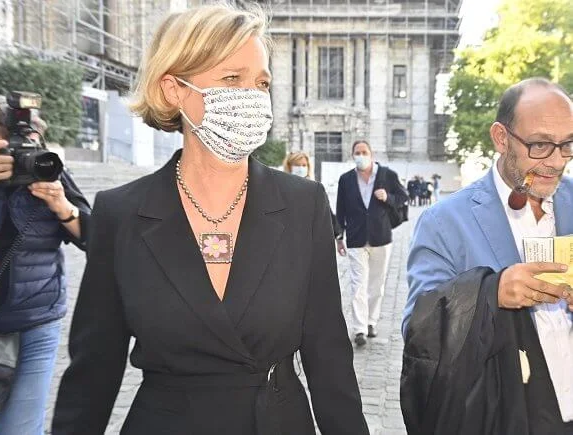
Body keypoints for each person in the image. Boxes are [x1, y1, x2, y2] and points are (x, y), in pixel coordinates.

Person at [52, 5, 369, 435]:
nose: (254, 97)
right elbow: (93, 373)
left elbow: (328, 356)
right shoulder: (120, 212)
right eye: (232, 78)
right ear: (173, 90)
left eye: (262, 83)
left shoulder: (303, 203)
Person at [401, 78, 573, 434]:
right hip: (506, 417)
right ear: (501, 137)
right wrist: (491, 293)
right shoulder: (445, 221)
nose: (557, 161)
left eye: (568, 145)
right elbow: (417, 330)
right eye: (541, 145)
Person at [0, 95, 91, 434]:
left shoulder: (49, 170)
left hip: (35, 320)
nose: (20, 155)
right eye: (8, 147)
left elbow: (94, 237)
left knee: (21, 429)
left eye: (27, 144)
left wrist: (61, 205)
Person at [336, 140, 408, 347]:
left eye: (364, 152)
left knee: (377, 285)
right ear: (352, 155)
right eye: (357, 152)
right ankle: (359, 329)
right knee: (358, 284)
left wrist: (388, 197)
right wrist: (339, 237)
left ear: (371, 154)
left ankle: (371, 322)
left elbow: (404, 197)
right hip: (356, 238)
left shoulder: (387, 175)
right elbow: (340, 210)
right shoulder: (346, 180)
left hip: (381, 237)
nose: (361, 155)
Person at [283, 151, 343, 238]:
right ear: (289, 167)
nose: (301, 168)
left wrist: (337, 233)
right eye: (297, 165)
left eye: (304, 165)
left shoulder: (316, 189)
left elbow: (327, 213)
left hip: (310, 238)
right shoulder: (280, 188)